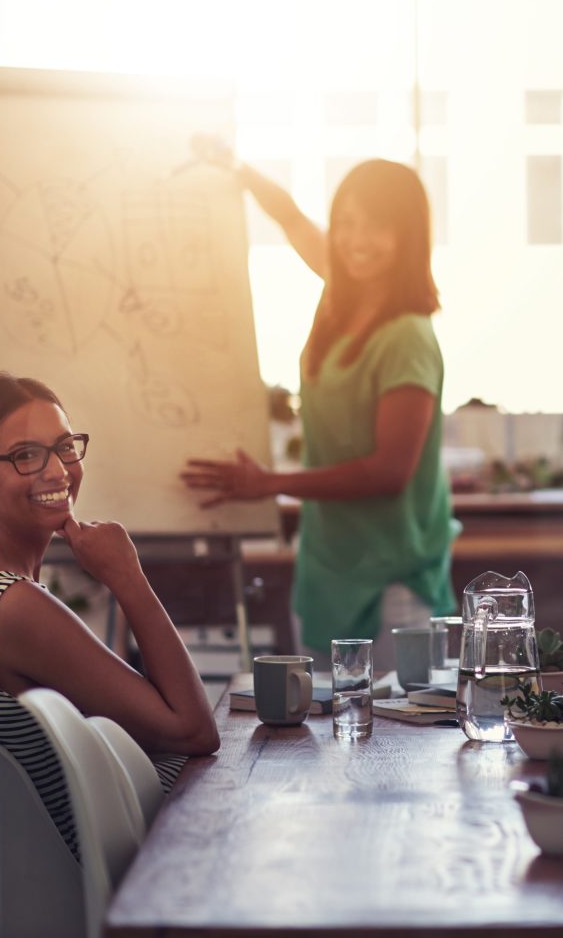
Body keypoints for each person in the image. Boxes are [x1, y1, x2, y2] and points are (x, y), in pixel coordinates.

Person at [0, 372, 219, 864]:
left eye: (65, 447)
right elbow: (194, 732)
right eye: (26, 455)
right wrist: (128, 578)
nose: (58, 472)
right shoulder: (12, 606)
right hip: (78, 883)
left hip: (13, 877)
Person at [181, 138, 459, 670]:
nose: (356, 241)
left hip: (394, 581)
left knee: (397, 724)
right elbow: (289, 216)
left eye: (377, 226)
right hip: (328, 567)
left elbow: (390, 472)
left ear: (408, 234)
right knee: (327, 721)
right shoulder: (341, 288)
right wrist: (239, 168)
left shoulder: (408, 335)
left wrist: (270, 483)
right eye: (347, 222)